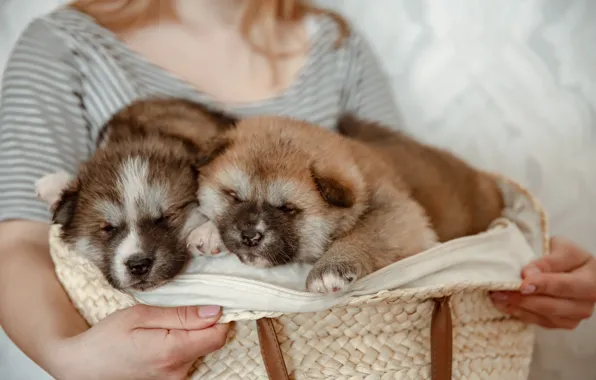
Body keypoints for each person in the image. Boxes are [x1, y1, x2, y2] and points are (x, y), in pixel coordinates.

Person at [0, 0, 593, 378]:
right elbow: (18, 241)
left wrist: (532, 268)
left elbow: (400, 201)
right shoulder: (63, 48)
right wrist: (65, 354)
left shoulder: (336, 45)